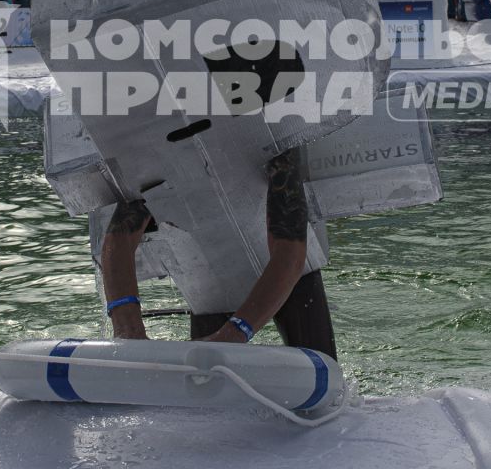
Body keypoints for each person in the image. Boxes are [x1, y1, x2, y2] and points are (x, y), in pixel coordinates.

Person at [98, 147, 336, 358]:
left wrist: (234, 333)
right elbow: (117, 242)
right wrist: (127, 324)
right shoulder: (151, 147)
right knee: (200, 391)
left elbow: (290, 254)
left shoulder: (270, 138)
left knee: (327, 380)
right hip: (208, 287)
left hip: (289, 279)